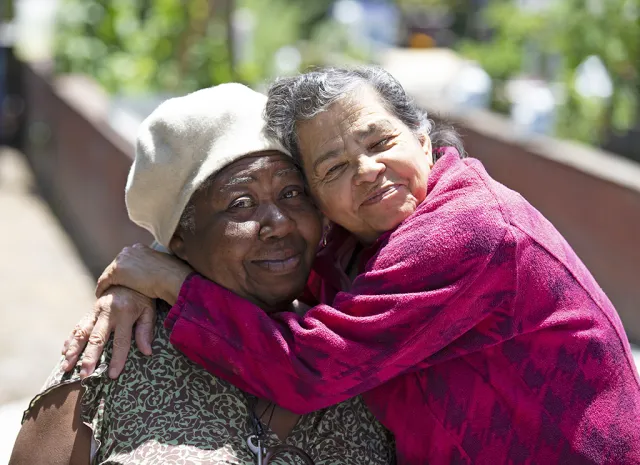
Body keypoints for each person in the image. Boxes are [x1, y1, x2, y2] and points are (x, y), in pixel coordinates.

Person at [65, 67, 640, 464]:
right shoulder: (359, 232)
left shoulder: (467, 229)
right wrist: (144, 279)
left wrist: (169, 279)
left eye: (380, 140)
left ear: (423, 137)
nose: (365, 171)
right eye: (333, 168)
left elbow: (310, 366)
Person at [10, 83, 395, 465]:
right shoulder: (117, 352)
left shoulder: (355, 343)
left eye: (293, 193)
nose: (279, 223)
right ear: (179, 238)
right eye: (241, 204)